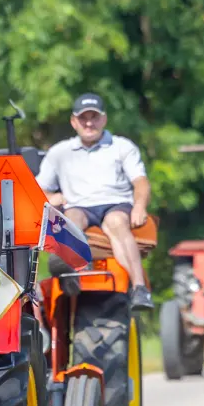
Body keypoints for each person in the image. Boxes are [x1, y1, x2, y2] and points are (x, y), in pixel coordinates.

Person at [37, 93, 153, 310]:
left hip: (115, 203)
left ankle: (139, 288)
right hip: (78, 205)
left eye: (94, 117)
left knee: (117, 222)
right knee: (70, 219)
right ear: (74, 121)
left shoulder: (121, 146)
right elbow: (38, 189)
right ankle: (76, 270)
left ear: (104, 119)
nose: (89, 123)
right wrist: (52, 198)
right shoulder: (59, 152)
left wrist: (139, 206)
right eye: (83, 118)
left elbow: (141, 181)